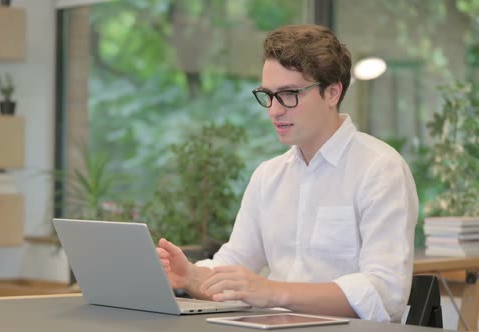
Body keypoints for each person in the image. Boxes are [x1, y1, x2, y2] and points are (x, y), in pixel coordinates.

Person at [156, 24, 418, 322]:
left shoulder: (380, 168)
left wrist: (273, 291)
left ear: (332, 92)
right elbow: (234, 266)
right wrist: (189, 275)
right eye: (268, 95)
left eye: (289, 94)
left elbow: (385, 294)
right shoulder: (269, 175)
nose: (274, 111)